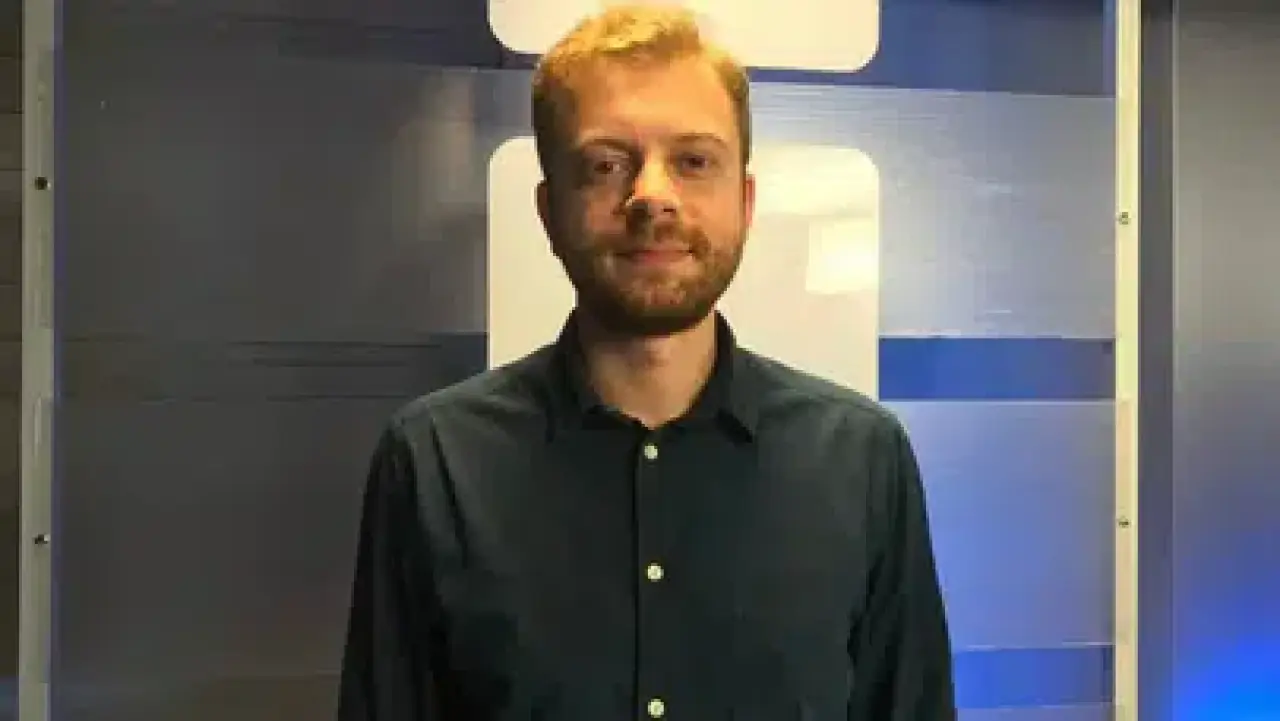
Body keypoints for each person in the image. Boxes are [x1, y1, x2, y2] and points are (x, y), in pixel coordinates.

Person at [337, 5, 955, 720]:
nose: (651, 196)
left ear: (745, 202)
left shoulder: (863, 461)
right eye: (606, 164)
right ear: (548, 210)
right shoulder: (435, 463)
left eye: (693, 161)